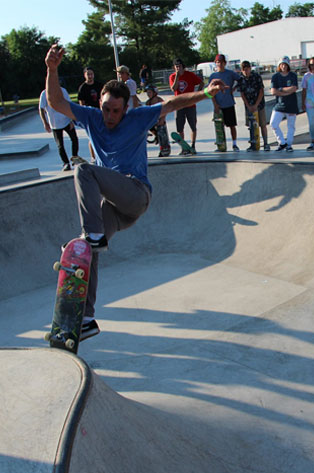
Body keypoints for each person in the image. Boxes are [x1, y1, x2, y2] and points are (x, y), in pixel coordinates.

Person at [44, 44, 227, 337]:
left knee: (83, 170)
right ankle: (87, 319)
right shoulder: (91, 117)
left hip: (136, 194)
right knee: (83, 252)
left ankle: (93, 235)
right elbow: (55, 102)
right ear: (100, 104)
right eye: (106, 109)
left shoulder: (137, 117)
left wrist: (206, 93)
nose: (110, 116)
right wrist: (52, 69)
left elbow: (174, 103)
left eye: (116, 110)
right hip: (116, 210)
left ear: (126, 107)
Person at [38, 87, 79, 171]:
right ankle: (66, 163)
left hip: (66, 120)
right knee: (60, 145)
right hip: (54, 124)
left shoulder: (63, 91)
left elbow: (70, 105)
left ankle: (75, 158)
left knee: (74, 139)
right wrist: (45, 123)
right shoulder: (44, 93)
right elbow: (41, 109)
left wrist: (71, 119)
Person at [169, 58, 203, 154]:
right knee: (180, 127)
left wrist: (197, 94)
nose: (178, 68)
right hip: (179, 105)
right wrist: (177, 76)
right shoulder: (172, 76)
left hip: (190, 104)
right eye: (176, 66)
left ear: (183, 66)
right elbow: (173, 88)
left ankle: (193, 145)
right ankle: (184, 147)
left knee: (193, 126)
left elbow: (201, 82)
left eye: (179, 66)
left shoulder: (190, 75)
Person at [209, 54, 242, 151]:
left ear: (225, 63)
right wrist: (215, 104)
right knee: (219, 127)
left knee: (232, 125)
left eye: (221, 62)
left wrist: (234, 88)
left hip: (229, 103)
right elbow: (210, 92)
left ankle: (235, 144)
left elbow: (241, 80)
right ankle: (221, 145)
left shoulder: (230, 73)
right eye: (217, 62)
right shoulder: (213, 76)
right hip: (219, 105)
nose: (219, 64)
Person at [238, 60, 270, 151]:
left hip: (259, 104)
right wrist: (248, 105)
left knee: (262, 124)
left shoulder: (256, 76)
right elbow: (242, 93)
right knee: (251, 125)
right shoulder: (241, 79)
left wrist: (256, 105)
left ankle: (266, 143)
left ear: (250, 69)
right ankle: (253, 144)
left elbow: (261, 91)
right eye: (244, 69)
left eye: (247, 69)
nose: (245, 71)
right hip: (249, 105)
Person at [270, 56, 299, 152]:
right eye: (282, 64)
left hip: (291, 104)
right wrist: (286, 91)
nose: (283, 66)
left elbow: (294, 88)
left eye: (285, 64)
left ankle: (289, 144)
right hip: (279, 105)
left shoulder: (293, 75)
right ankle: (282, 142)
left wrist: (281, 89)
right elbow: (273, 91)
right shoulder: (275, 77)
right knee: (273, 123)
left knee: (291, 126)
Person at [77, 67, 102, 161]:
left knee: (102, 134)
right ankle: (93, 157)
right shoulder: (83, 88)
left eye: (91, 74)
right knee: (92, 136)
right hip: (89, 114)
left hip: (100, 113)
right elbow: (81, 103)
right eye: (88, 74)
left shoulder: (99, 85)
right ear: (85, 75)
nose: (90, 76)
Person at [144, 85, 169, 157]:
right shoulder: (148, 102)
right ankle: (156, 136)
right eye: (147, 93)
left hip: (160, 120)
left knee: (162, 135)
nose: (148, 94)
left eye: (150, 92)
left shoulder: (159, 100)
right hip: (153, 121)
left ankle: (164, 149)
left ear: (155, 93)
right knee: (149, 127)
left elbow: (165, 110)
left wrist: (162, 119)